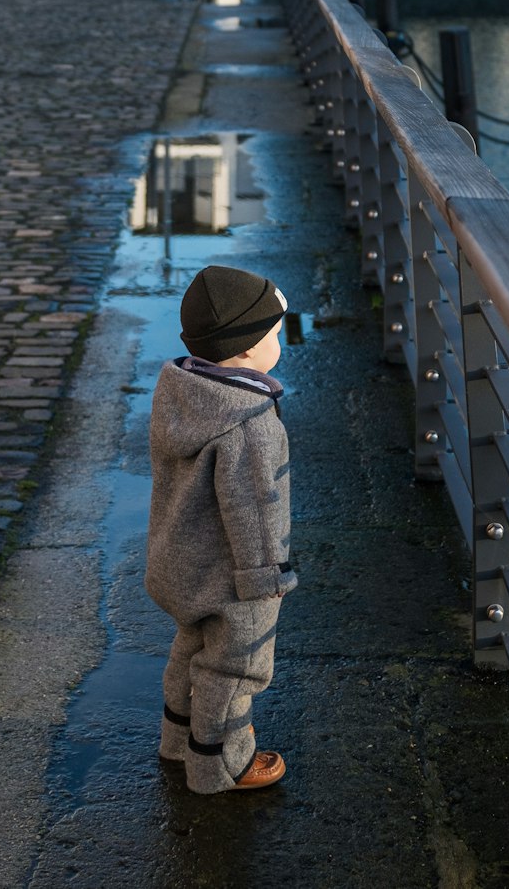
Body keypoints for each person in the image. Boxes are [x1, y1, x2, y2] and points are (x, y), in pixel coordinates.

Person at [145, 264, 297, 794]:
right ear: (249, 348)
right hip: (231, 575)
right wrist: (268, 579)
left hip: (178, 562)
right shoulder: (250, 424)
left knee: (191, 648)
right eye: (275, 334)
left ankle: (175, 740)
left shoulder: (184, 392)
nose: (280, 342)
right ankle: (220, 765)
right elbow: (258, 513)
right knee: (237, 669)